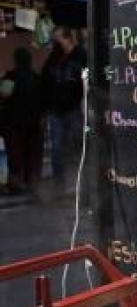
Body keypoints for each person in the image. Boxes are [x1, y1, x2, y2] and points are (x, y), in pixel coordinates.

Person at [41, 26, 85, 189]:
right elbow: (44, 81)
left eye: (58, 39)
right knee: (57, 149)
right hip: (56, 110)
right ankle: (59, 184)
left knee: (79, 146)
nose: (55, 43)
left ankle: (83, 184)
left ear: (68, 39)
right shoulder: (54, 58)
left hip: (74, 108)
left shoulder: (81, 56)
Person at [0, 48, 43, 193]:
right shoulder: (36, 77)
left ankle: (15, 183)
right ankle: (32, 182)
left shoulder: (11, 76)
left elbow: (4, 94)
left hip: (13, 122)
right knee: (32, 154)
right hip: (33, 122)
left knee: (15, 155)